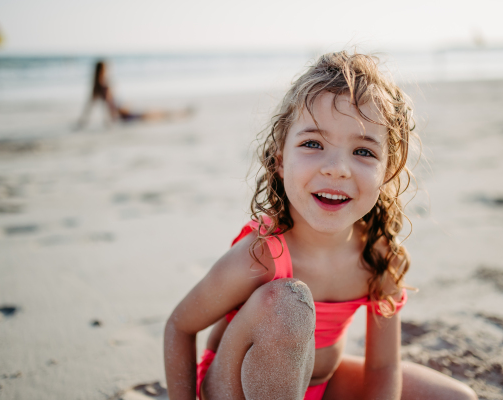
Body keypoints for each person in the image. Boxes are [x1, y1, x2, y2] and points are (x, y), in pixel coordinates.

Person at [164, 51, 478, 400]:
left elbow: (381, 368)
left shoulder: (379, 258)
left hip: (323, 387)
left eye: (363, 152)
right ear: (280, 160)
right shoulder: (261, 255)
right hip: (233, 390)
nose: (337, 168)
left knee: (457, 398)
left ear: (387, 171)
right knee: (287, 305)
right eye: (312, 144)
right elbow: (179, 327)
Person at [75, 60, 193, 129]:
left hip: (124, 112)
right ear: (102, 70)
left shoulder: (96, 87)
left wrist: (82, 122)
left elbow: (89, 107)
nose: (108, 71)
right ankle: (182, 113)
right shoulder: (104, 86)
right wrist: (112, 122)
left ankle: (182, 113)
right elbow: (111, 107)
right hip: (125, 115)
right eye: (106, 69)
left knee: (156, 114)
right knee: (157, 114)